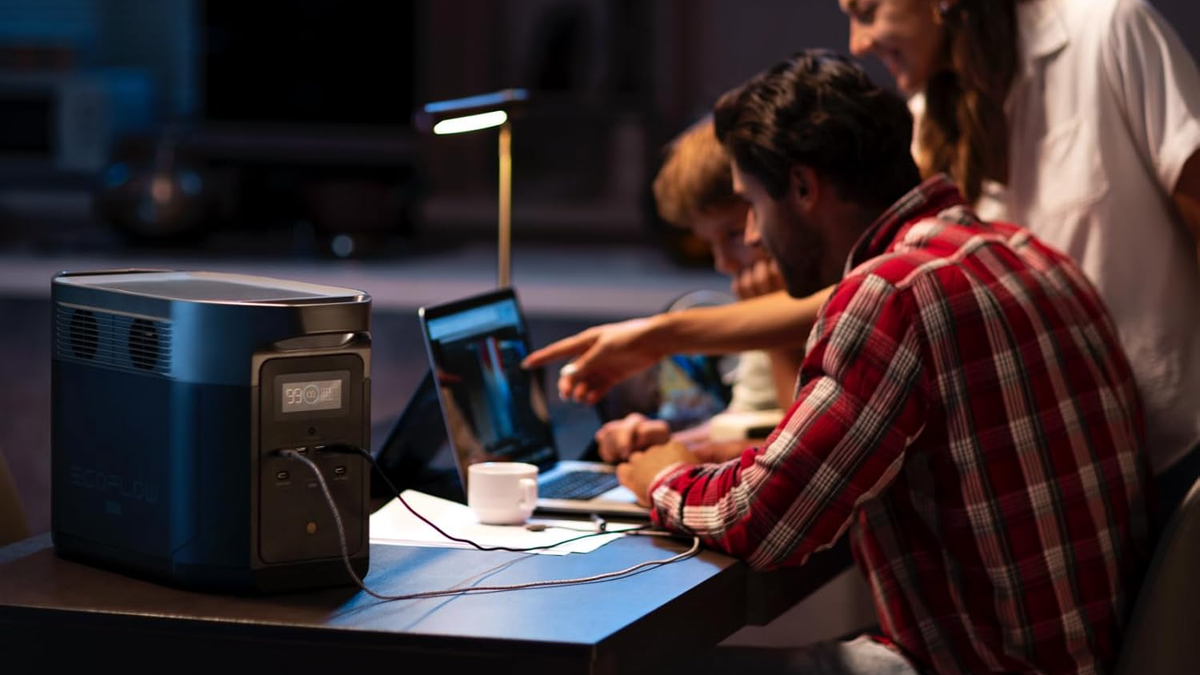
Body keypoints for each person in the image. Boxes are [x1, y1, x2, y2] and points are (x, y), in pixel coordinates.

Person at [584, 51, 1152, 675]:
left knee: (647, 667)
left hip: (975, 665)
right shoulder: (1025, 252)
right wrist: (721, 465)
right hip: (1086, 655)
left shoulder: (890, 293)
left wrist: (661, 476)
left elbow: (764, 523)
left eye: (752, 204)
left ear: (803, 188)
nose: (750, 236)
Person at [526, 0, 1200, 517]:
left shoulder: (1108, 28)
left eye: (867, 9)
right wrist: (662, 337)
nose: (857, 43)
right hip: (1053, 458)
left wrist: (668, 473)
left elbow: (882, 294)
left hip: (1170, 447)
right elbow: (882, 286)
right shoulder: (934, 103)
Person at [592, 117, 806, 463]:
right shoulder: (765, 292)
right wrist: (664, 442)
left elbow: (801, 447)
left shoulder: (834, 299)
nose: (723, 263)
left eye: (733, 234)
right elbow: (750, 422)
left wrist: (775, 336)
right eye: (710, 244)